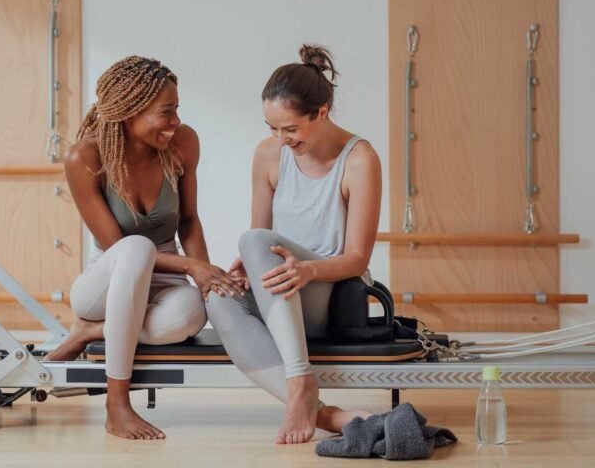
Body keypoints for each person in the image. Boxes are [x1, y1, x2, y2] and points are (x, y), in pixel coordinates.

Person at [45, 56, 243, 440]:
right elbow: (117, 247)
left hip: (164, 280)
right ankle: (116, 405)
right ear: (129, 111)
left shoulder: (183, 143)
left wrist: (205, 279)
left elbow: (188, 221)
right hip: (107, 280)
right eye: (166, 112)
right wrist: (190, 267)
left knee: (190, 316)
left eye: (177, 110)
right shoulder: (85, 157)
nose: (176, 123)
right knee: (136, 247)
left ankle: (91, 333)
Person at [206, 44, 383, 444]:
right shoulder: (268, 154)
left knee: (255, 242)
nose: (281, 139)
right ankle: (320, 410)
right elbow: (260, 237)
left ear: (320, 113)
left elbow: (357, 259)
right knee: (217, 299)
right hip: (281, 291)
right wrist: (247, 269)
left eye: (290, 129)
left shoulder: (360, 160)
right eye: (272, 128)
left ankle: (301, 378)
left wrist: (306, 270)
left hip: (327, 290)